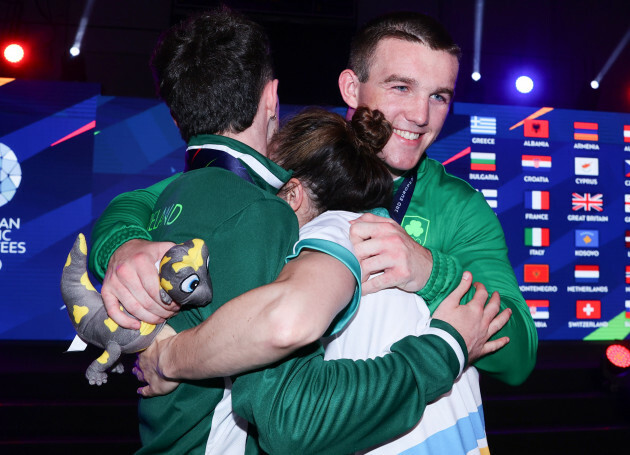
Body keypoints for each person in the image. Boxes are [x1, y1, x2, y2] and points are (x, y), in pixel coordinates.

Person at [87, 8, 508, 454]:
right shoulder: (293, 169)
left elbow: (514, 350)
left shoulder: (460, 205)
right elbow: (150, 199)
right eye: (400, 87)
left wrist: (430, 272)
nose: (420, 114)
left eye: (440, 96)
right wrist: (124, 246)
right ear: (350, 87)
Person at [135, 106, 502, 454]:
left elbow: (287, 405)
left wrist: (170, 356)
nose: (248, 196)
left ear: (292, 195)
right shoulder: (356, 244)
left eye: (262, 180)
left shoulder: (335, 231)